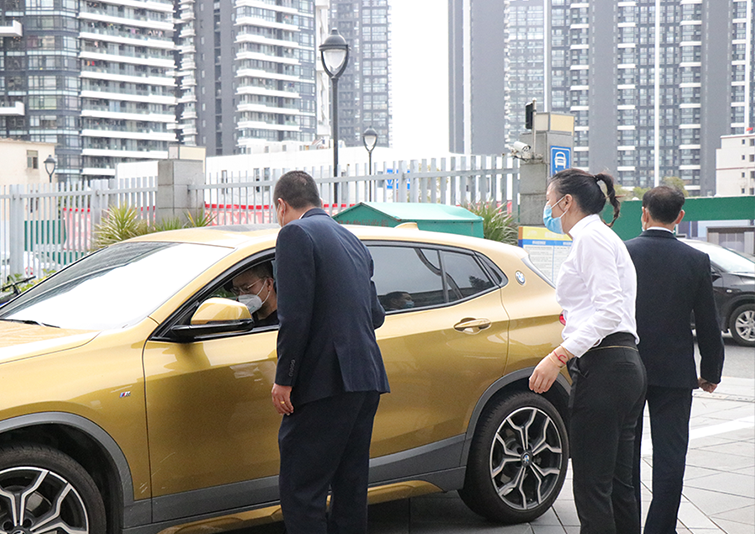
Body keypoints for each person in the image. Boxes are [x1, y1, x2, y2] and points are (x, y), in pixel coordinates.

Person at [269, 170, 389, 534]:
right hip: (366, 379)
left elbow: (294, 318)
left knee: (302, 492)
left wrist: (284, 379)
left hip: (324, 384)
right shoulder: (352, 240)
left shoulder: (295, 234)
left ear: (282, 206)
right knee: (350, 490)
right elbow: (376, 315)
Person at [529, 168, 647, 534]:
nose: (548, 210)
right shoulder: (600, 237)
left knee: (593, 485)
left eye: (549, 202)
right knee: (618, 485)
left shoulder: (590, 239)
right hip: (622, 365)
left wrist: (558, 355)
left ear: (566, 202)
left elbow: (608, 311)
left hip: (605, 366)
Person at [626, 186, 724, 534]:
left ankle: (627, 524)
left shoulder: (625, 253)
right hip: (676, 372)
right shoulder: (695, 260)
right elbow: (708, 321)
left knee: (626, 455)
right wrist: (711, 371)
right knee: (671, 457)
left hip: (629, 368)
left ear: (644, 212)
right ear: (680, 217)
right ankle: (660, 528)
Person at [231, 262, 278, 327]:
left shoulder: (286, 317)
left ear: (268, 284)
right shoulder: (242, 320)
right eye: (236, 290)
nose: (241, 295)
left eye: (246, 288)